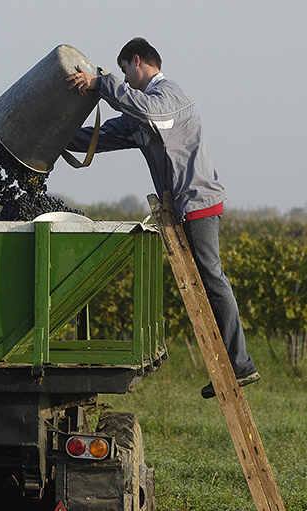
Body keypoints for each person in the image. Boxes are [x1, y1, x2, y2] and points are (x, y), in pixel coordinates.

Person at [65, 37, 259, 398]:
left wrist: (102, 84)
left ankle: (241, 363)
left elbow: (150, 112)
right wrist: (52, 136)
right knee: (201, 285)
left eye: (125, 71)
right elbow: (99, 137)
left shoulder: (170, 97)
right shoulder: (142, 110)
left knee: (212, 278)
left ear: (137, 62)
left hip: (198, 203)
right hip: (181, 208)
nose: (125, 78)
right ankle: (226, 367)